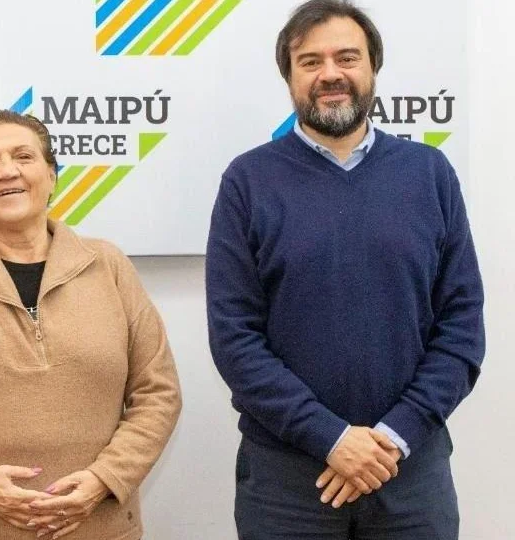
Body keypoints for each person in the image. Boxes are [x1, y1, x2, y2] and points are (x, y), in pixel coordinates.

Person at [205, 1, 485, 538]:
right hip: (288, 482)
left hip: (409, 473)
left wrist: (392, 437)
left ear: (373, 67)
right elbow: (235, 338)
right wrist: (330, 438)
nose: (330, 73)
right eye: (310, 61)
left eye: (347, 58)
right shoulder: (247, 182)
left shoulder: (429, 174)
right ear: (289, 78)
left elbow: (462, 327)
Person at [0, 109, 182, 540]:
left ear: (52, 175)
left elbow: (158, 392)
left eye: (23, 157)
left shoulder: (108, 266)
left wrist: (104, 479)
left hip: (99, 527)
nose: (6, 171)